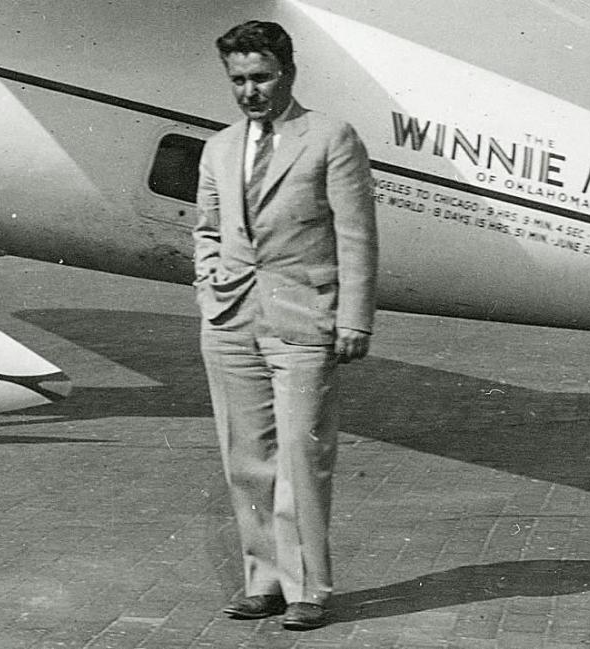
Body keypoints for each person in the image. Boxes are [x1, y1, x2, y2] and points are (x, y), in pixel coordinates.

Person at [193, 20, 378, 631]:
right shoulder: (219, 147)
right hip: (229, 320)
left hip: (304, 319)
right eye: (239, 80)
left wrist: (353, 318)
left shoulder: (330, 137)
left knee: (302, 455)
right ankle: (264, 581)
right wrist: (206, 288)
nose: (250, 91)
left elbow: (355, 236)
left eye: (261, 77)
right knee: (245, 458)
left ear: (288, 72)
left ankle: (307, 590)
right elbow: (207, 230)